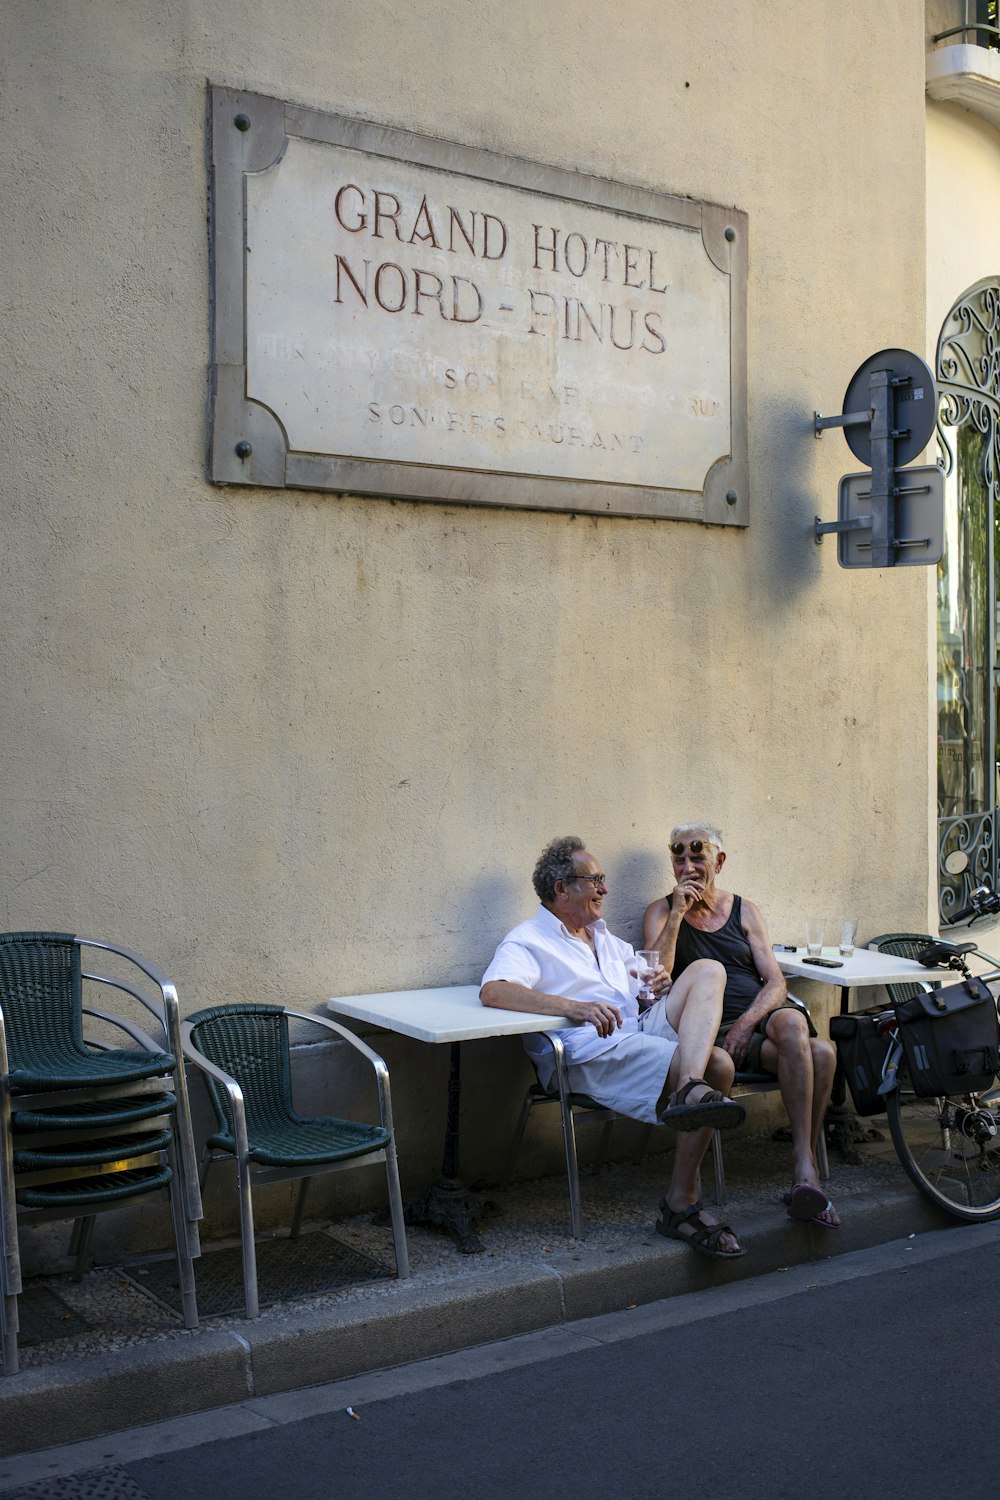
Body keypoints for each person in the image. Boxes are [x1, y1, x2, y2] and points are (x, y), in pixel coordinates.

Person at [480, 835, 748, 1259]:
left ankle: (688, 1085)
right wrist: (573, 1007)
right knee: (720, 1065)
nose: (605, 890)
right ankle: (682, 1203)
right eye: (595, 880)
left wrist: (657, 982)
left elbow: (650, 975)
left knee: (709, 970)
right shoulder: (528, 940)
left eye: (603, 880)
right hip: (585, 1051)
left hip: (633, 1030)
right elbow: (494, 992)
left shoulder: (602, 937)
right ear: (561, 889)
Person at [643, 820, 839, 1229]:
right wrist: (678, 914)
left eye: (698, 855)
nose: (688, 864)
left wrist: (748, 1022)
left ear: (720, 860)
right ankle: (809, 1176)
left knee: (792, 1027)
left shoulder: (744, 909)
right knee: (820, 1053)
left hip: (755, 1023)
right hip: (707, 1027)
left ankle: (805, 1167)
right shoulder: (661, 911)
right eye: (679, 856)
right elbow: (653, 977)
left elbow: (776, 981)